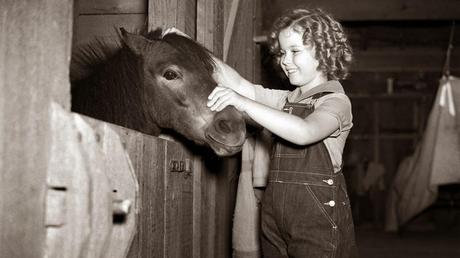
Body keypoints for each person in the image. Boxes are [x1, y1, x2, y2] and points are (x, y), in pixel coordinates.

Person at [207, 7, 358, 258]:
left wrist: (243, 103)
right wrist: (190, 49)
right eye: (282, 53)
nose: (284, 61)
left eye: (295, 51)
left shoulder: (335, 101)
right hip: (275, 215)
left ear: (324, 53)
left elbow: (305, 132)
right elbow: (242, 86)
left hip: (316, 218)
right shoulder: (287, 100)